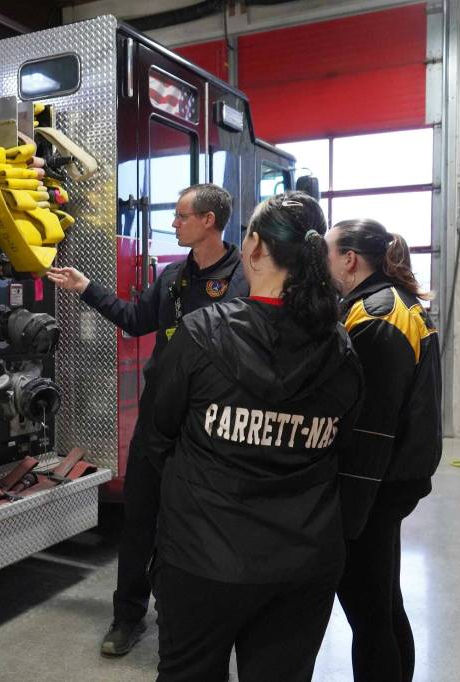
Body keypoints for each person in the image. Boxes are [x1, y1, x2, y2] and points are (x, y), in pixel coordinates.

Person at [147, 191, 364, 681]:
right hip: (304, 564)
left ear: (257, 250)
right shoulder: (342, 351)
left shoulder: (199, 335)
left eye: (247, 234)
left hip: (203, 557)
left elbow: (158, 437)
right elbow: (342, 444)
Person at [47, 183, 247, 657]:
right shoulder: (175, 277)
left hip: (208, 424)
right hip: (159, 417)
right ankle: (127, 617)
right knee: (139, 520)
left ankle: (197, 621)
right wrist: (87, 289)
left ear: (209, 222)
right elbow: (137, 320)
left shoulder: (244, 279)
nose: (173, 224)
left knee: (199, 525)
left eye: (181, 216)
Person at [324, 218, 442, 682]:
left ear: (349, 260)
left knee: (368, 614)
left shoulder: (375, 316)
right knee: (384, 605)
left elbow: (371, 426)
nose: (324, 262)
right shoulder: (390, 303)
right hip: (394, 479)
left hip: (375, 485)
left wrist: (349, 507)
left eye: (329, 252)